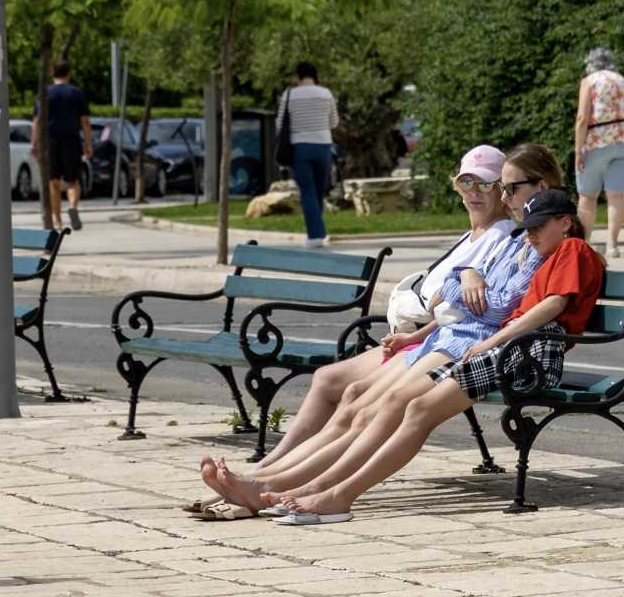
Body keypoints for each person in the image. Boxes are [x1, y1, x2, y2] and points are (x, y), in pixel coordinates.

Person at [202, 143, 562, 511]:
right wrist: (466, 278)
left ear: (544, 187)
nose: (502, 196)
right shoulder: (519, 239)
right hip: (447, 336)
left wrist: (463, 290)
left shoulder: (535, 241)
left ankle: (287, 487)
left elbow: (492, 308)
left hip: (471, 344)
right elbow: (454, 292)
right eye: (493, 186)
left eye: (507, 187)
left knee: (380, 403)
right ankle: (271, 478)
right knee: (358, 403)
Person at [252, 189, 603, 524]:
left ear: (565, 222)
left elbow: (552, 306)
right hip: (512, 347)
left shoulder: (572, 248)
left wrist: (495, 339)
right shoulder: (543, 252)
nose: (531, 235)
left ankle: (336, 494)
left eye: (540, 227)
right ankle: (327, 489)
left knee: (417, 409)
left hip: (529, 351)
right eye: (528, 228)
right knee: (413, 407)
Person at [257, 143, 514, 468]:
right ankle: (277, 464)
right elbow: (445, 297)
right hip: (424, 337)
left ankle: (293, 474)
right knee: (327, 379)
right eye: (467, 182)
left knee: (359, 397)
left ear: (501, 189)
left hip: (445, 341)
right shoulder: (473, 234)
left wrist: (456, 290)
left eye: (486, 183)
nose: (475, 192)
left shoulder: (502, 236)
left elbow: (469, 308)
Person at [574, 46, 624, 261]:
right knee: (616, 195)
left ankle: (583, 244)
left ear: (590, 64)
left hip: (597, 141)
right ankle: (612, 245)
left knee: (587, 196)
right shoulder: (621, 80)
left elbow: (582, 118)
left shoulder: (589, 81)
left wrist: (578, 150)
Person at [276, 62, 340, 245]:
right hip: (323, 146)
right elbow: (334, 122)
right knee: (319, 191)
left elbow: (280, 124)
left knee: (307, 191)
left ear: (299, 76)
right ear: (315, 75)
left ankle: (315, 235)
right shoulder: (326, 94)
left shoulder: (290, 95)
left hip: (300, 148)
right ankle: (318, 232)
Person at [35, 61, 91, 233]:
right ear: (68, 74)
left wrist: (34, 143)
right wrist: (87, 143)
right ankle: (73, 207)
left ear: (52, 73)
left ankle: (57, 220)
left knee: (53, 183)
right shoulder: (76, 93)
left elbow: (36, 122)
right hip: (71, 140)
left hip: (50, 141)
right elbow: (85, 121)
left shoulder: (45, 93)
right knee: (73, 181)